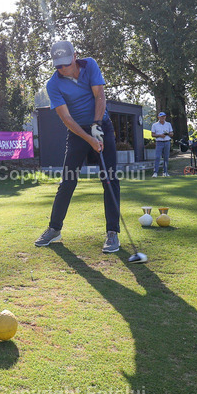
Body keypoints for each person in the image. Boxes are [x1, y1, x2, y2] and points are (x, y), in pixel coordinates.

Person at [34, 40, 121, 253]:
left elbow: (99, 95)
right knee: (67, 181)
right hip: (77, 132)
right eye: (58, 65)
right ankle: (54, 229)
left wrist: (97, 126)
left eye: (65, 63)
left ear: (75, 56)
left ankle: (112, 232)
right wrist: (89, 138)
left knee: (109, 178)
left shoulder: (90, 65)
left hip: (102, 126)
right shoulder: (53, 84)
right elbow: (66, 119)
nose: (62, 69)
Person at [150, 111, 173, 177]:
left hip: (167, 142)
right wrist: (160, 135)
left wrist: (167, 134)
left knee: (166, 157)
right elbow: (152, 134)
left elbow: (172, 134)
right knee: (157, 157)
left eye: (164, 116)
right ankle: (155, 172)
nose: (163, 118)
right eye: (161, 117)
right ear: (158, 117)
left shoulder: (168, 124)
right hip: (159, 142)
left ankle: (165, 172)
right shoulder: (155, 125)